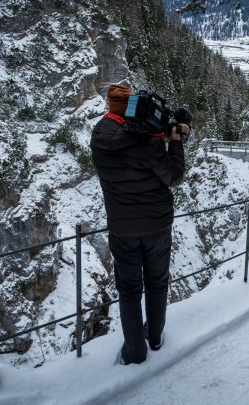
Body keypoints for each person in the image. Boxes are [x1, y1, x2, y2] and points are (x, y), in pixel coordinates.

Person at [90, 84, 190, 365]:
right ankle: (155, 339)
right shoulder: (149, 141)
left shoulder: (98, 137)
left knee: (129, 290)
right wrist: (175, 141)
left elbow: (123, 143)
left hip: (122, 229)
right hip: (157, 226)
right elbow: (173, 176)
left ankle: (135, 353)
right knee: (157, 284)